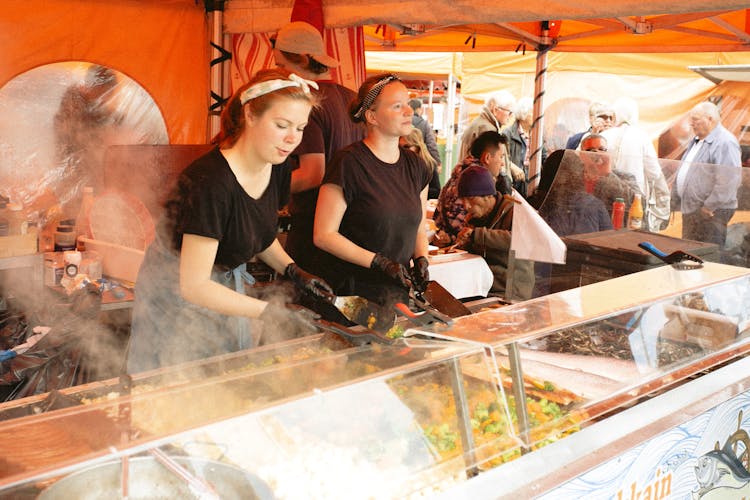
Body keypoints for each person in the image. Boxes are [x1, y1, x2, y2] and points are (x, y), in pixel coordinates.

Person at [127, 69, 334, 373]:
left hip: (221, 283)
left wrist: (294, 270)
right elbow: (195, 285)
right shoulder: (210, 183)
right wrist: (272, 312)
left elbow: (258, 234)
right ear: (250, 115)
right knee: (176, 386)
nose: (293, 138)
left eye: (300, 128)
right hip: (176, 290)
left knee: (223, 374)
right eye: (282, 125)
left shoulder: (275, 165)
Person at [312, 73, 431, 319]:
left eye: (408, 103)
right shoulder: (348, 163)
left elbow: (419, 225)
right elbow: (324, 235)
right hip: (351, 294)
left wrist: (422, 257)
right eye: (397, 106)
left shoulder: (416, 165)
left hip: (395, 296)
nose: (408, 111)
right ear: (372, 116)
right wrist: (378, 262)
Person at [274, 21, 365, 271]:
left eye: (281, 65)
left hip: (313, 227)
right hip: (351, 227)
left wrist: (266, 189)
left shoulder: (309, 103)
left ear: (302, 59)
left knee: (299, 303)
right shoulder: (351, 97)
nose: (281, 73)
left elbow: (313, 174)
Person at [453, 165, 534, 301]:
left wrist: (477, 235)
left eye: (471, 199)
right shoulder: (474, 217)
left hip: (508, 291)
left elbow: (523, 241)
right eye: (463, 199)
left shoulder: (516, 210)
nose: (466, 206)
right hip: (480, 287)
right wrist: (463, 242)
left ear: (488, 195)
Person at [671, 101, 742, 247]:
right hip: (693, 209)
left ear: (710, 119)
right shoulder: (697, 140)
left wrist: (708, 207)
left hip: (711, 212)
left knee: (708, 254)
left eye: (695, 119)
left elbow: (729, 180)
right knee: (690, 251)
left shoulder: (725, 142)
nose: (691, 123)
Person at [601, 97, 670, 231]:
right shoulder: (641, 137)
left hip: (606, 196)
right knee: (631, 235)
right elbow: (654, 173)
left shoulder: (605, 135)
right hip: (634, 199)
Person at [432, 131, 511, 247]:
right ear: (488, 158)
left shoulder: (461, 172)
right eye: (501, 156)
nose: (503, 163)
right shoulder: (472, 180)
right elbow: (461, 231)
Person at [458, 90, 516, 161]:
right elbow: (491, 163)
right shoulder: (487, 130)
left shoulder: (482, 123)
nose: (511, 116)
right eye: (509, 112)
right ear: (495, 110)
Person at [408, 98, 442, 198]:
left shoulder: (401, 123)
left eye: (407, 146)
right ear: (419, 109)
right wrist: (437, 162)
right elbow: (432, 145)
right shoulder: (424, 124)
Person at [400, 127, 439, 199]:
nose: (402, 151)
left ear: (417, 146)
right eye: (399, 147)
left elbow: (436, 191)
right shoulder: (398, 164)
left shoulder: (428, 164)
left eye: (407, 146)